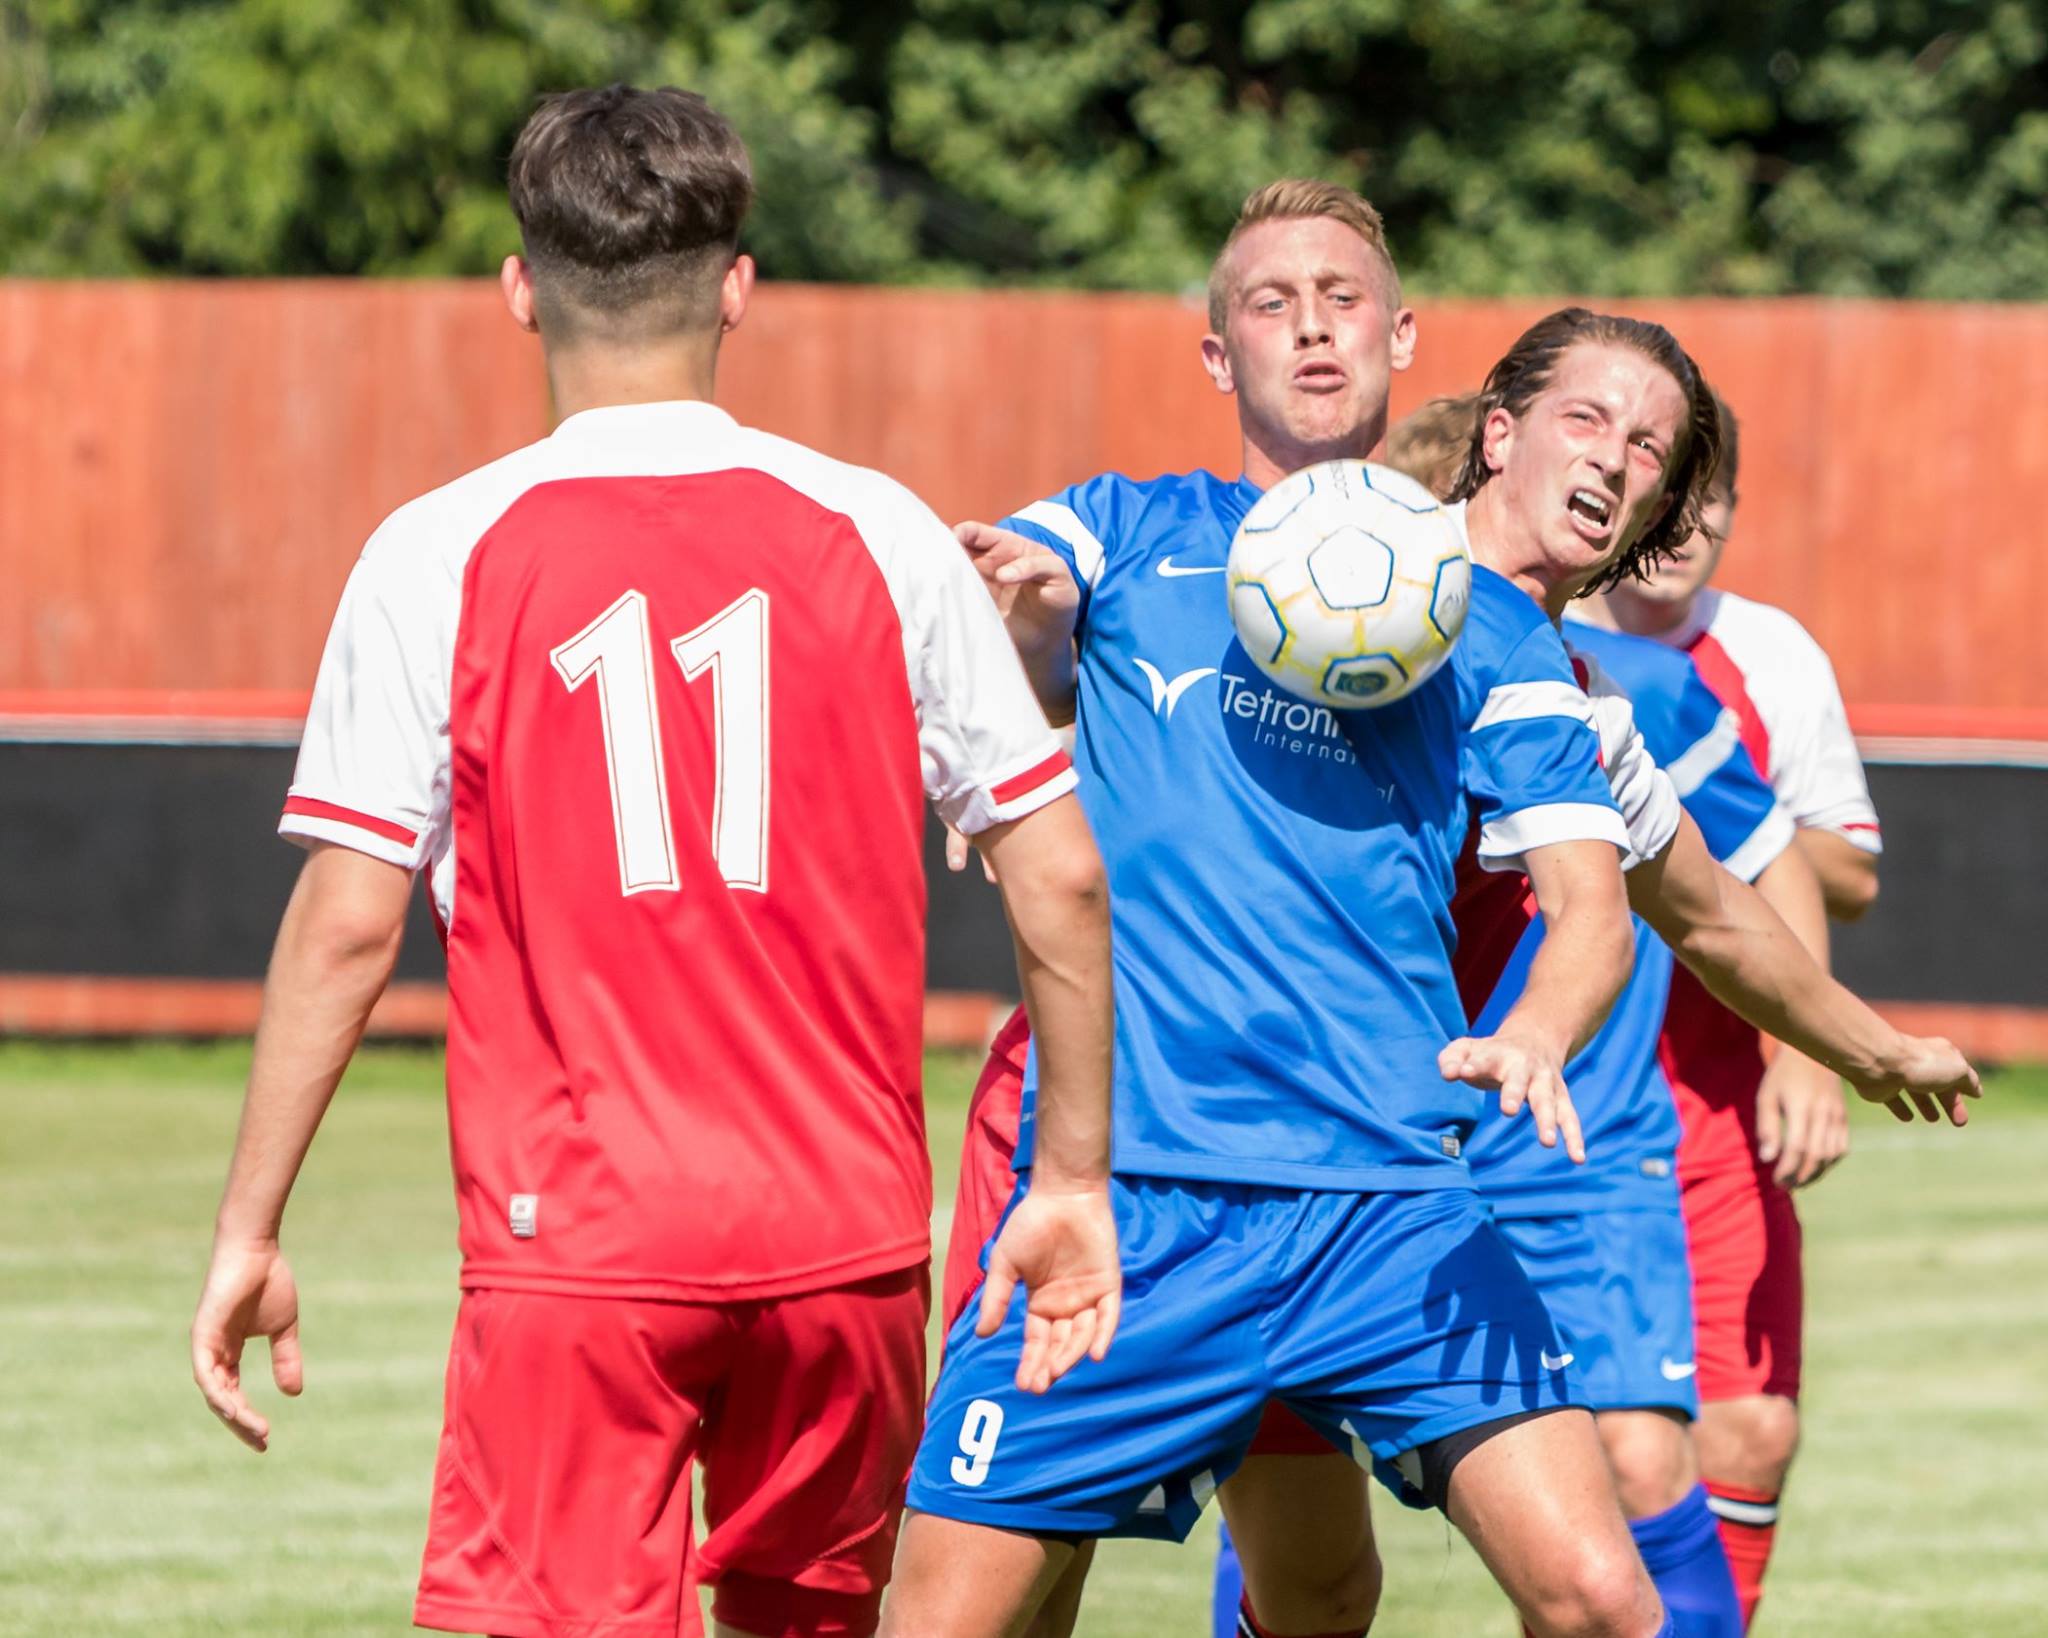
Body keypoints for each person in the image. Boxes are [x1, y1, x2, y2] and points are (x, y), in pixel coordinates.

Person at [186, 85, 1121, 1638]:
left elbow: (351, 923)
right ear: (738, 285)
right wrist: (1075, 1176)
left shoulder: (441, 548)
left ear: (520, 285)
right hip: (849, 1241)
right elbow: (1064, 876)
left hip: (582, 1246)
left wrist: (248, 1227)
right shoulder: (880, 532)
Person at [889, 181, 1676, 1638]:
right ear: (1216, 354)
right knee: (951, 1620)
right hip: (1137, 1202)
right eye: (1271, 302)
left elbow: (1593, 907)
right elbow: (1031, 610)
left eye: (1343, 299)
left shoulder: (1497, 632)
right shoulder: (1125, 530)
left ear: (1401, 336)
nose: (1312, 326)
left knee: (1596, 1600)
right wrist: (998, 637)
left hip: (1393, 1204)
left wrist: (1542, 1034)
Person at [1203, 316, 1975, 1638]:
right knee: (1208, 1576)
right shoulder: (1325, 589)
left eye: (1651, 451)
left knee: (1591, 1579)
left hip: (1440, 1169)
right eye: (1587, 423)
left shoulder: (1595, 697)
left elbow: (1705, 907)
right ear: (1496, 437)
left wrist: (1862, 1048)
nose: (1617, 465)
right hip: (1227, 1160)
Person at [1579, 397, 1887, 1626]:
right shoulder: (1526, 636)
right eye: (1672, 490)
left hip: (1706, 1110)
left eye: (1714, 499)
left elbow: (1844, 872)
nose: (1690, 521)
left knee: (1745, 1428)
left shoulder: (1763, 656)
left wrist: (1801, 1050)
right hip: (1540, 1107)